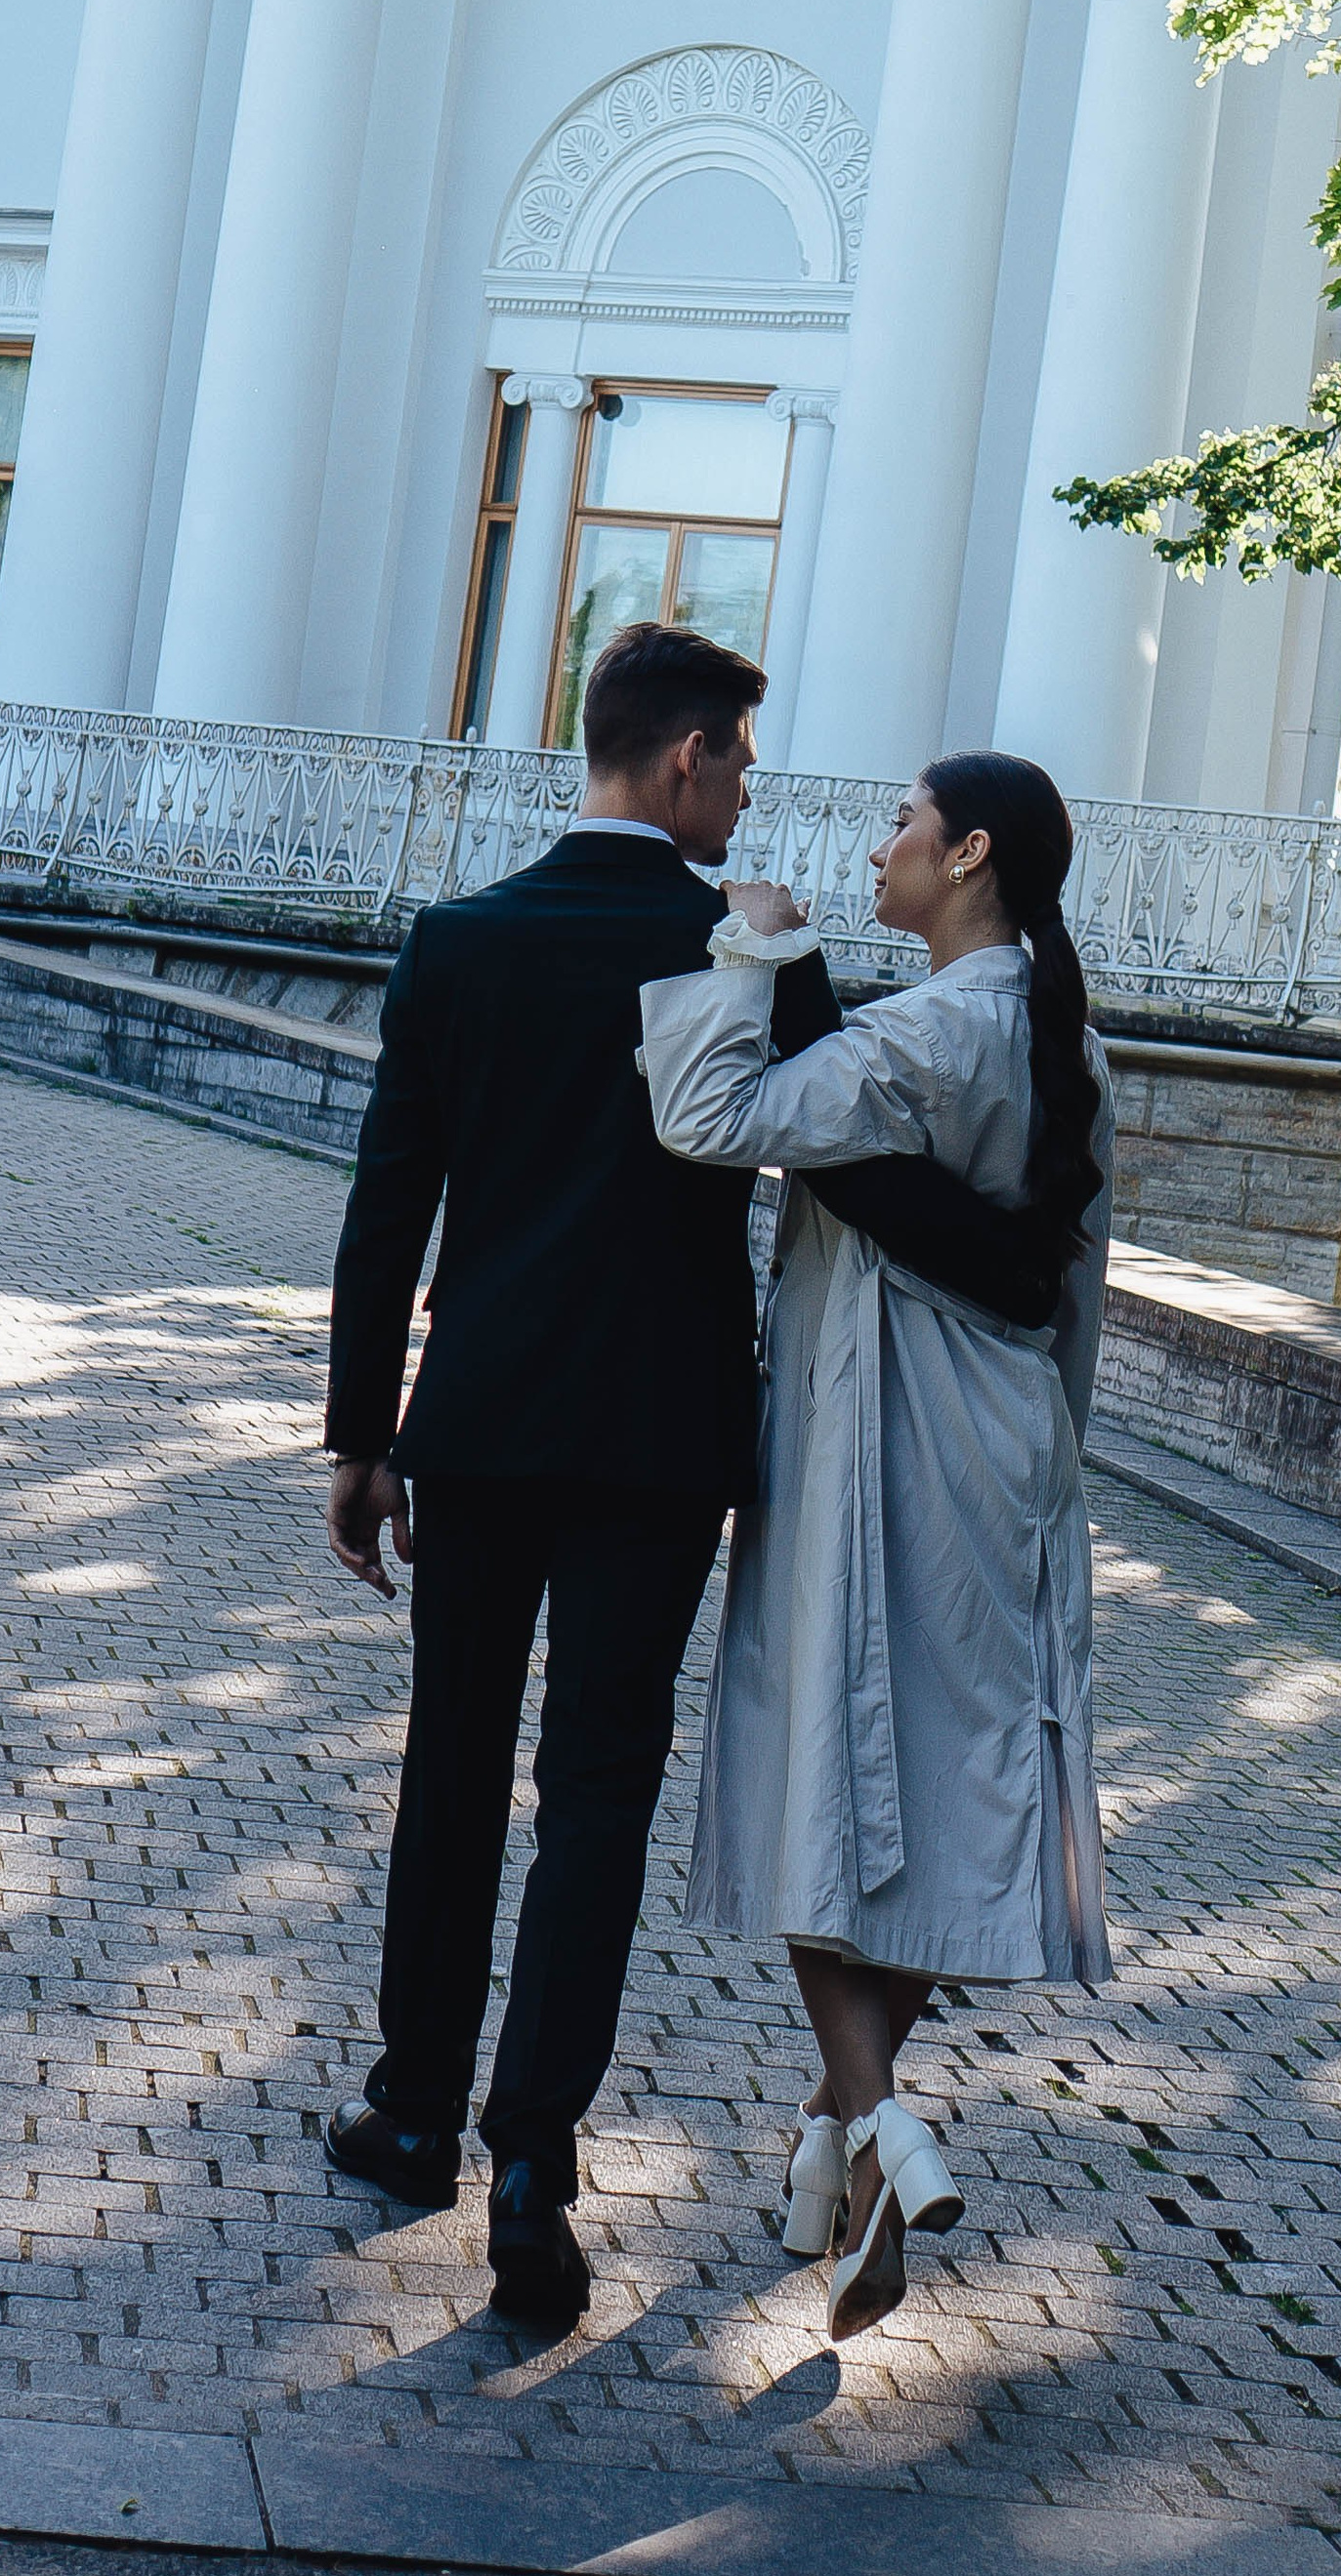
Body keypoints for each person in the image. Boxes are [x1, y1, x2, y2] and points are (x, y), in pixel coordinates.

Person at [320, 629, 1062, 2324]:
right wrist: (1022, 1266)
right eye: (737, 763)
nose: (749, 796)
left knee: (452, 1765)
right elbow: (842, 1172)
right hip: (662, 1446)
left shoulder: (460, 942)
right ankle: (532, 2162)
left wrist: (364, 1436)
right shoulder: (740, 949)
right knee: (597, 1795)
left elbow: (387, 1215)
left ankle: (413, 2111)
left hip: (488, 1423)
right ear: (682, 764)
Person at [639, 750, 1112, 2341]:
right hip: (1004, 1448)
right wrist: (1056, 1459)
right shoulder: (1056, 1034)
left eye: (902, 823)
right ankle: (847, 2147)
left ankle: (884, 2118)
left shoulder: (925, 1032)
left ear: (968, 852)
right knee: (956, 1787)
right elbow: (1075, 1287)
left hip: (876, 1436)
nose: (877, 843)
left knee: (814, 1777)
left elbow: (709, 1116)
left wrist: (748, 949)